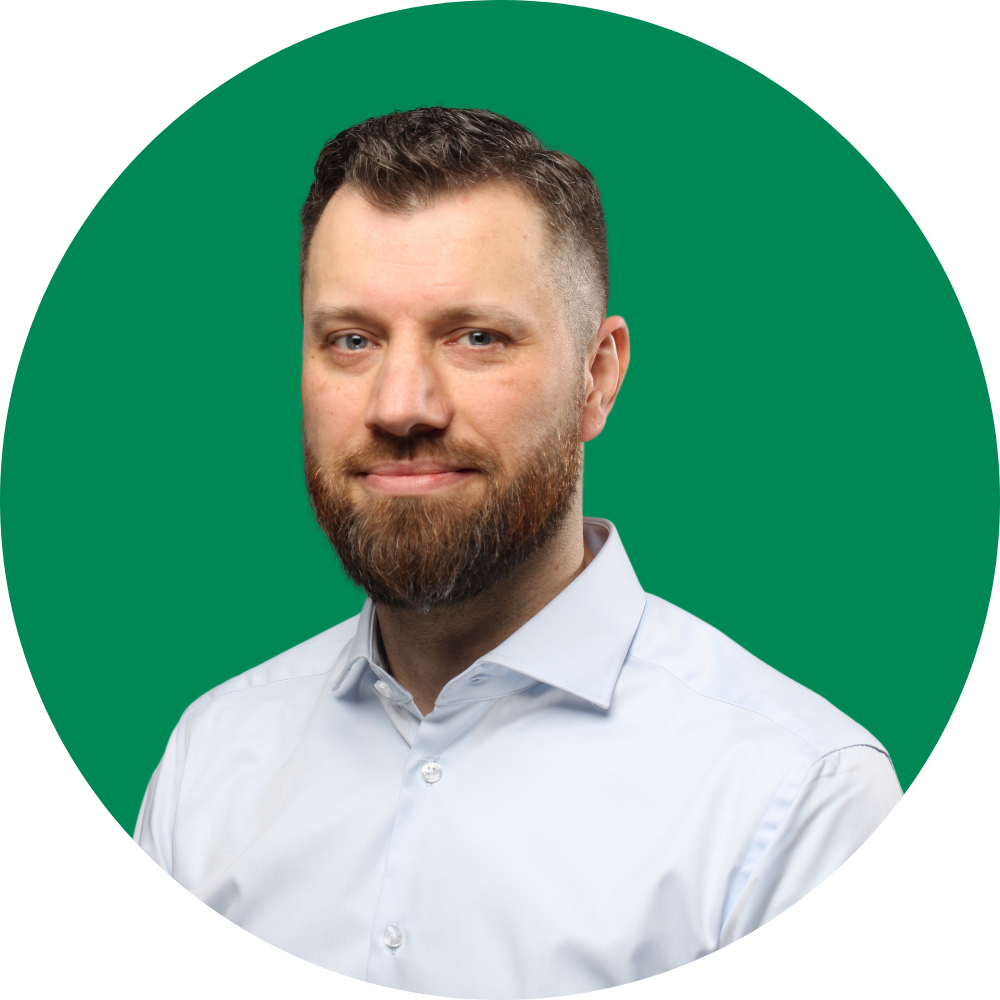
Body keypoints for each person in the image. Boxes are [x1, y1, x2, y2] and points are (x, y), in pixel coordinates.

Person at [135, 107, 902, 993]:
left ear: (597, 377)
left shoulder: (798, 801)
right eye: (353, 340)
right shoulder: (210, 761)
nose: (402, 406)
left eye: (476, 338)